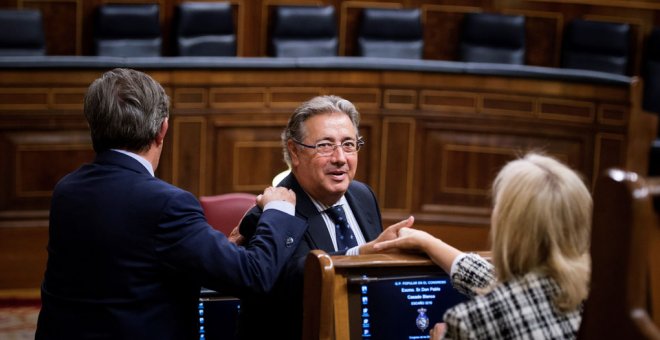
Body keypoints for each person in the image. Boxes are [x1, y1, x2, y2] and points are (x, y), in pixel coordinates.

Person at [35, 68, 307, 339]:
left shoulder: (67, 190)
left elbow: (124, 269)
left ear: (92, 124)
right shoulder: (167, 204)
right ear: (163, 128)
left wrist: (215, 251)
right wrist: (279, 209)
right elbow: (254, 275)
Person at [236, 95, 413, 339]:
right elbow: (293, 282)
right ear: (294, 152)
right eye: (325, 145)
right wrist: (364, 254)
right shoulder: (270, 214)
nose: (340, 158)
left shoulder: (363, 196)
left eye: (349, 144)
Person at [374, 153, 592, 339]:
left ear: (510, 230)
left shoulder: (471, 322)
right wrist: (429, 243)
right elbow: (500, 283)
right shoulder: (597, 298)